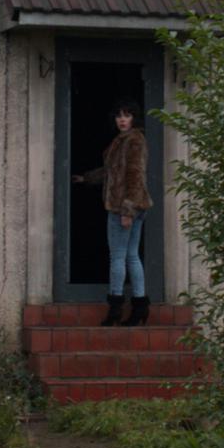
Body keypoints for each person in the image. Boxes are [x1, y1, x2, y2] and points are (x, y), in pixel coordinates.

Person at [72, 100, 154, 327]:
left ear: (134, 118)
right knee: (131, 255)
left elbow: (134, 176)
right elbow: (111, 172)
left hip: (124, 207)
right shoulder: (125, 140)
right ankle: (139, 307)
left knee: (118, 257)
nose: (122, 119)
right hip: (135, 206)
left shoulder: (133, 141)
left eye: (127, 115)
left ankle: (115, 309)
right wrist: (87, 178)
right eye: (119, 115)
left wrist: (127, 210)